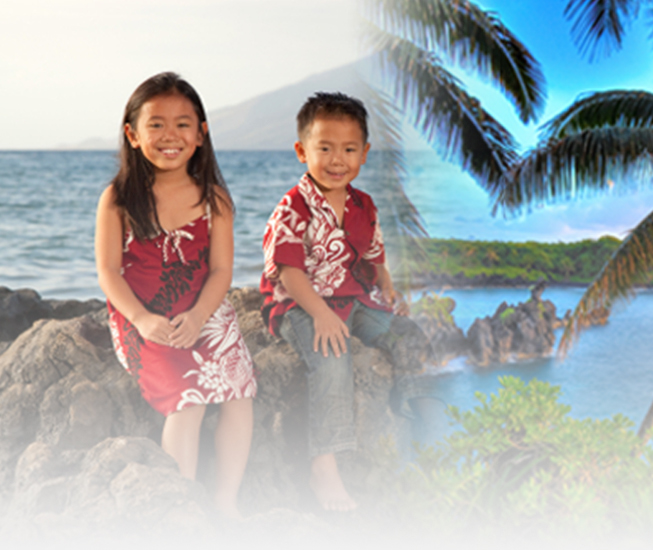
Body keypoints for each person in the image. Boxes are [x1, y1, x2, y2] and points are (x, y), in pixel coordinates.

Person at [94, 72, 256, 520]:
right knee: (191, 397)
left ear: (201, 134)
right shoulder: (118, 198)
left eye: (183, 124)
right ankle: (182, 504)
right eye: (157, 124)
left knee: (239, 392)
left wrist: (203, 315)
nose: (171, 136)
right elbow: (108, 272)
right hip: (143, 313)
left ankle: (226, 499)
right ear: (133, 134)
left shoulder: (214, 199)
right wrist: (143, 320)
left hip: (204, 308)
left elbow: (221, 271)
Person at [260, 92, 430, 512]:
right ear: (302, 151)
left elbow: (373, 257)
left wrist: (386, 285)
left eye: (349, 149)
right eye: (325, 148)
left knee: (406, 332)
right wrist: (320, 314)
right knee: (333, 355)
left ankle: (411, 410)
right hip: (299, 302)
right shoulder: (292, 208)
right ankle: (324, 465)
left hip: (353, 299)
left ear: (365, 154)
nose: (338, 160)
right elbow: (289, 272)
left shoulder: (363, 205)